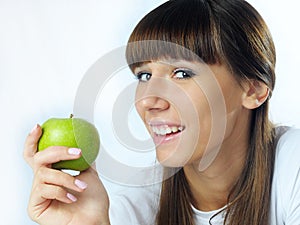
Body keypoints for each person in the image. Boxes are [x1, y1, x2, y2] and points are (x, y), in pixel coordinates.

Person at [23, 0, 300, 224]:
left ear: (253, 90)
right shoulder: (133, 207)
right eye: (143, 75)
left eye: (181, 73)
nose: (147, 101)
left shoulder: (293, 166)